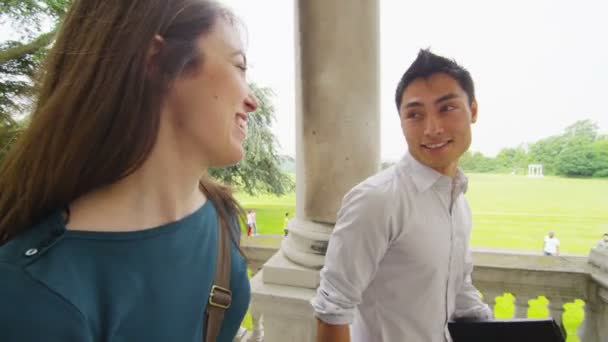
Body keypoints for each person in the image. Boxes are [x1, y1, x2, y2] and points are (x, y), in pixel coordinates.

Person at [0, 1, 258, 341]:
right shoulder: (33, 292)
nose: (252, 99)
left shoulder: (221, 217)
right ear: (155, 61)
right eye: (238, 66)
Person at [312, 49, 493, 342]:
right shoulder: (377, 200)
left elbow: (458, 288)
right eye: (415, 114)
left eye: (446, 108)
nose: (432, 129)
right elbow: (332, 310)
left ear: (473, 110)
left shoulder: (458, 202)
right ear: (401, 122)